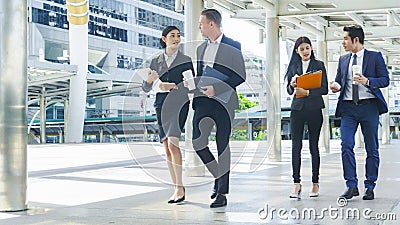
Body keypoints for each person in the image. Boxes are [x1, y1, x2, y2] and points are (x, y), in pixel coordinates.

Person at [191, 8, 246, 208]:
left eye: (201, 23)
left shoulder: (233, 45)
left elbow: (240, 75)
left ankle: (222, 192)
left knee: (222, 145)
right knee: (198, 143)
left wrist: (217, 88)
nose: (199, 27)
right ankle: (218, 177)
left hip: (224, 101)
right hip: (203, 102)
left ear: (211, 24)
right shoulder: (200, 49)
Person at [330, 25, 390, 200]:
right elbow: (340, 81)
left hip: (369, 106)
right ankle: (351, 185)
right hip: (348, 107)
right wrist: (336, 86)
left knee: (372, 148)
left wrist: (367, 80)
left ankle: (370, 186)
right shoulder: (343, 60)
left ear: (356, 40)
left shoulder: (374, 57)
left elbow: (385, 79)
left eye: (345, 39)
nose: (343, 42)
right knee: (346, 145)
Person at [142, 26, 194, 204]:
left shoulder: (186, 60)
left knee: (173, 144)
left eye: (179, 36)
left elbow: (191, 85)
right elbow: (146, 87)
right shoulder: (155, 60)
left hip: (179, 104)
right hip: (161, 105)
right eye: (172, 36)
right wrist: (151, 81)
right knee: (166, 147)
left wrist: (172, 86)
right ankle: (176, 187)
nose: (176, 39)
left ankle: (180, 187)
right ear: (164, 39)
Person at [285, 36, 328, 199]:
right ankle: (296, 183)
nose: (305, 51)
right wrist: (292, 85)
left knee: (313, 146)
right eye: (301, 49)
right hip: (297, 109)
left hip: (314, 108)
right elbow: (289, 92)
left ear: (311, 49)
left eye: (307, 48)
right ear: (297, 51)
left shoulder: (319, 65)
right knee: (296, 146)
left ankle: (315, 183)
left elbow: (324, 88)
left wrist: (308, 92)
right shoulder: (293, 66)